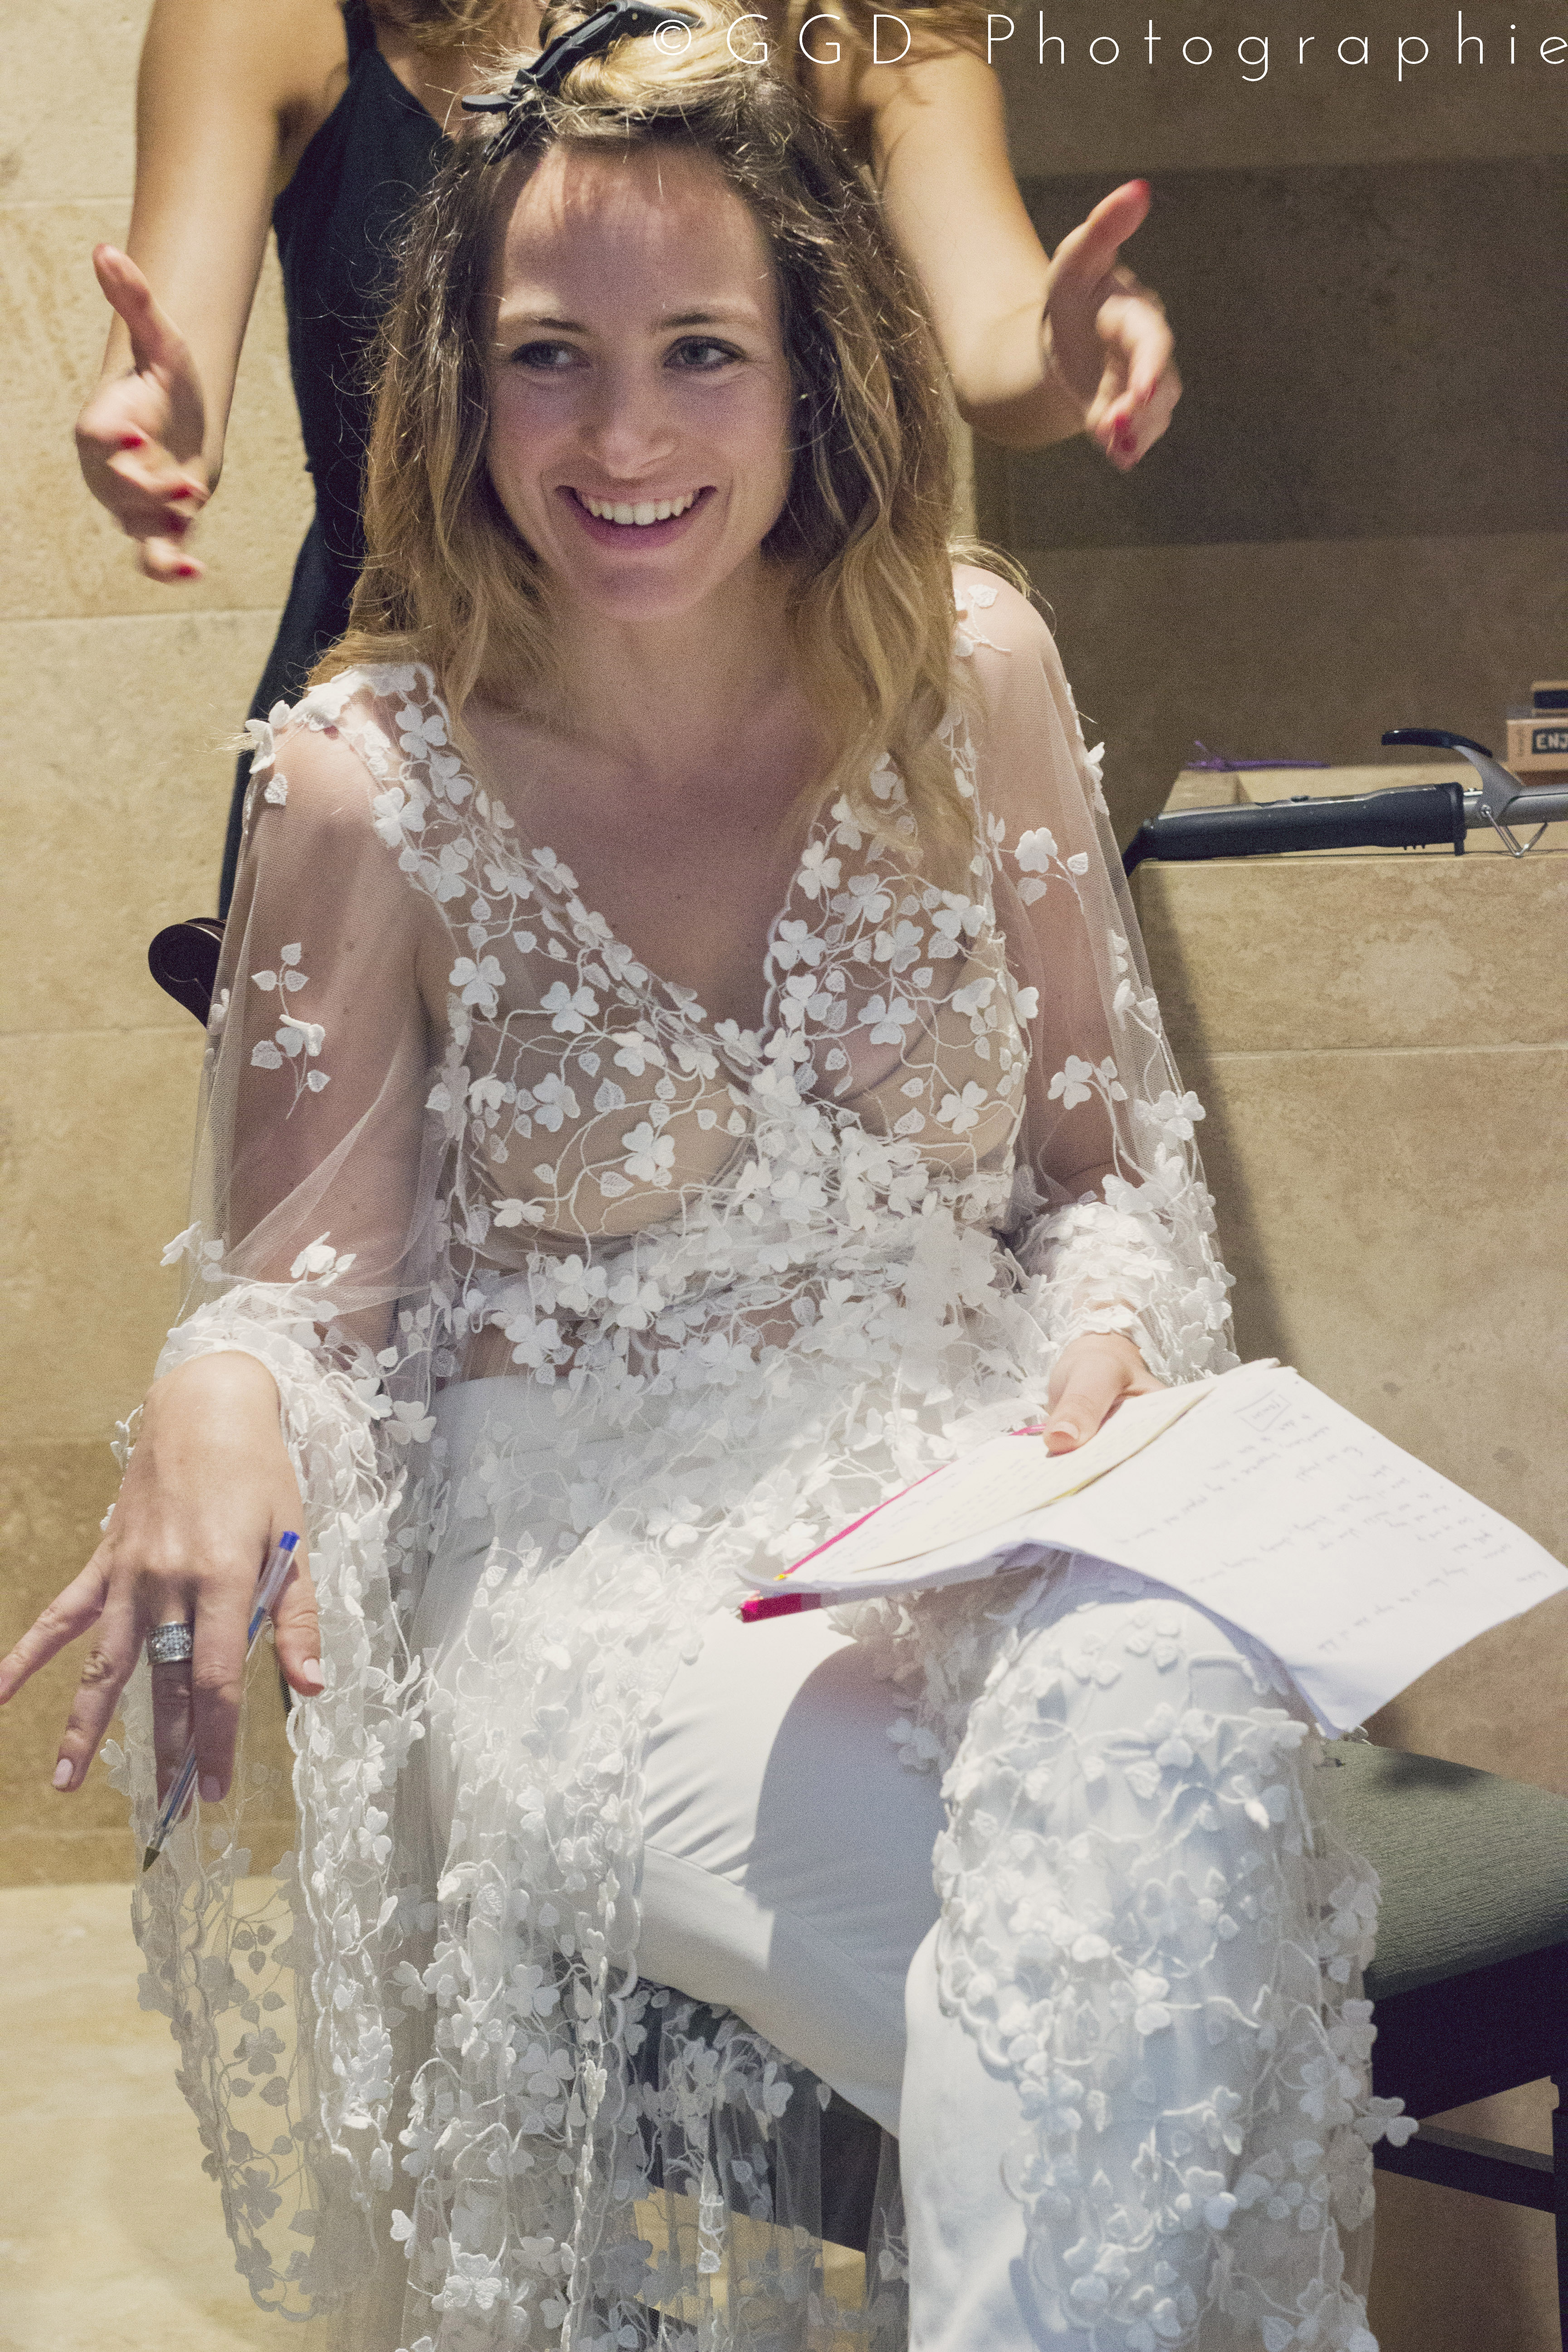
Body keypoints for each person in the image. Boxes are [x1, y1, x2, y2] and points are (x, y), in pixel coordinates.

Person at [12, 11, 1394, 2348]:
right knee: (1128, 1968)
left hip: (982, 1515)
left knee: (1168, 1721)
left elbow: (1097, 1176)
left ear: (809, 369)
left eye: (700, 355)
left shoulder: (971, 669)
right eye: (548, 359)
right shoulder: (365, 775)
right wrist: (222, 1386)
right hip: (599, 1583)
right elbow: (295, 1297)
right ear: (456, 389)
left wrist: (1102, 1330)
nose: (627, 437)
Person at [74, 0, 1181, 909]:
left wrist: (1068, 350)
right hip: (409, 738)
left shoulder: (867, 22)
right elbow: (167, 372)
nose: (623, 439)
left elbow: (999, 348)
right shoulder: (270, 17)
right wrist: (151, 431)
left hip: (776, 731)